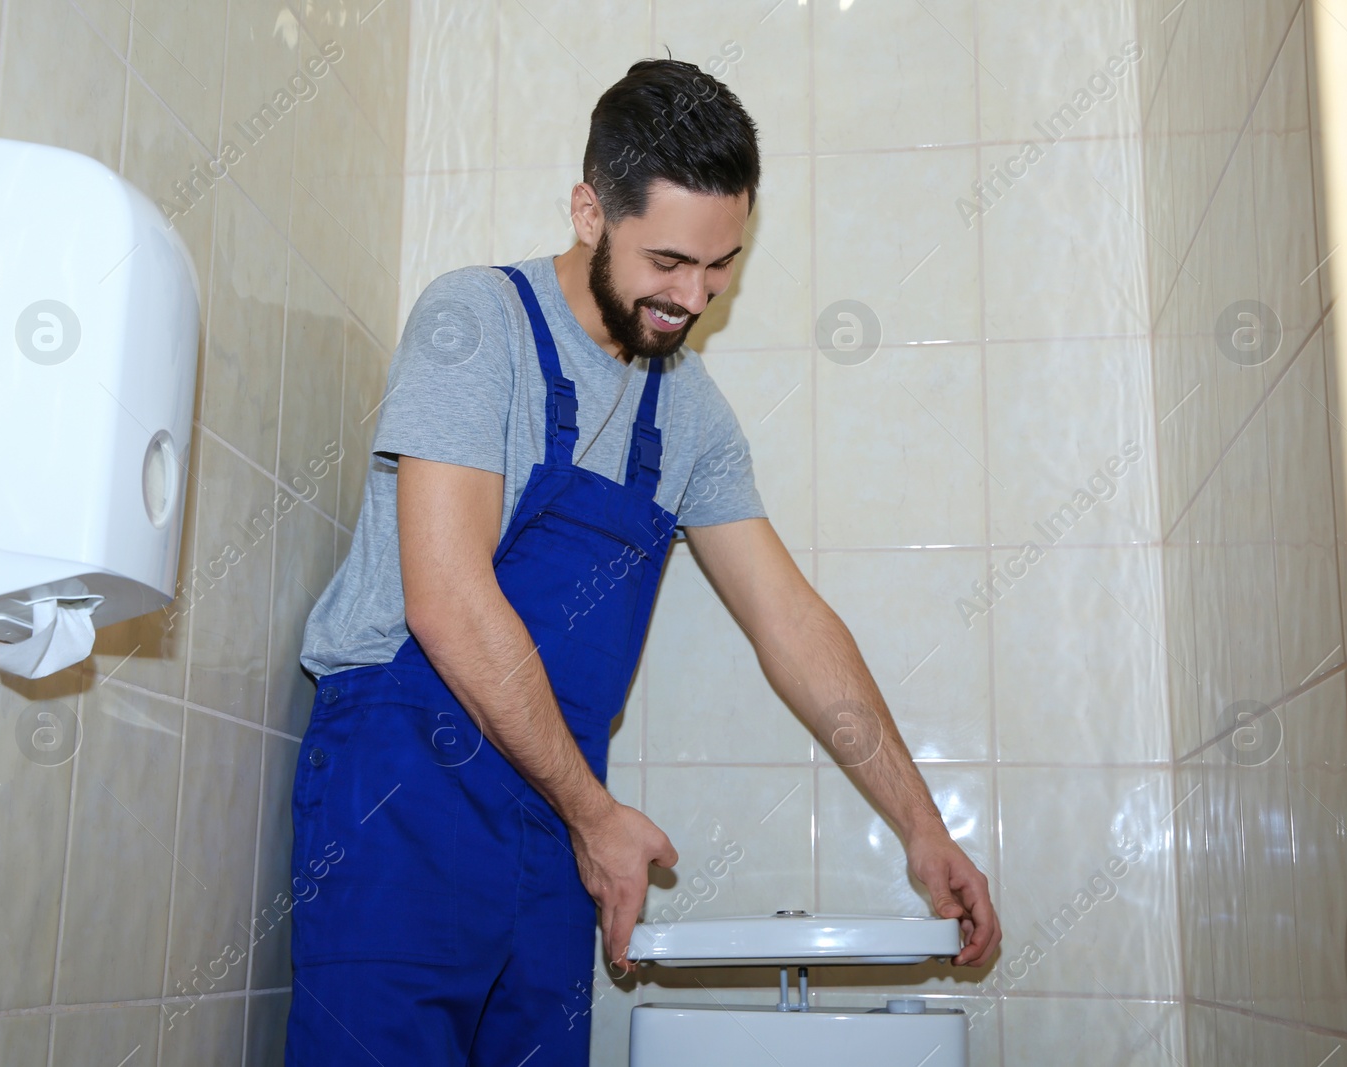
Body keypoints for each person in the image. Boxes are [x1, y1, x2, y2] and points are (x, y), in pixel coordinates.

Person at [286, 57, 1000, 1066]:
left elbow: (789, 622)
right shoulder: (475, 322)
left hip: (556, 814)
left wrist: (921, 826)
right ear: (589, 212)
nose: (693, 295)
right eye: (668, 260)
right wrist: (594, 812)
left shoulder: (692, 414)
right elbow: (445, 599)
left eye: (721, 266)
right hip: (401, 794)